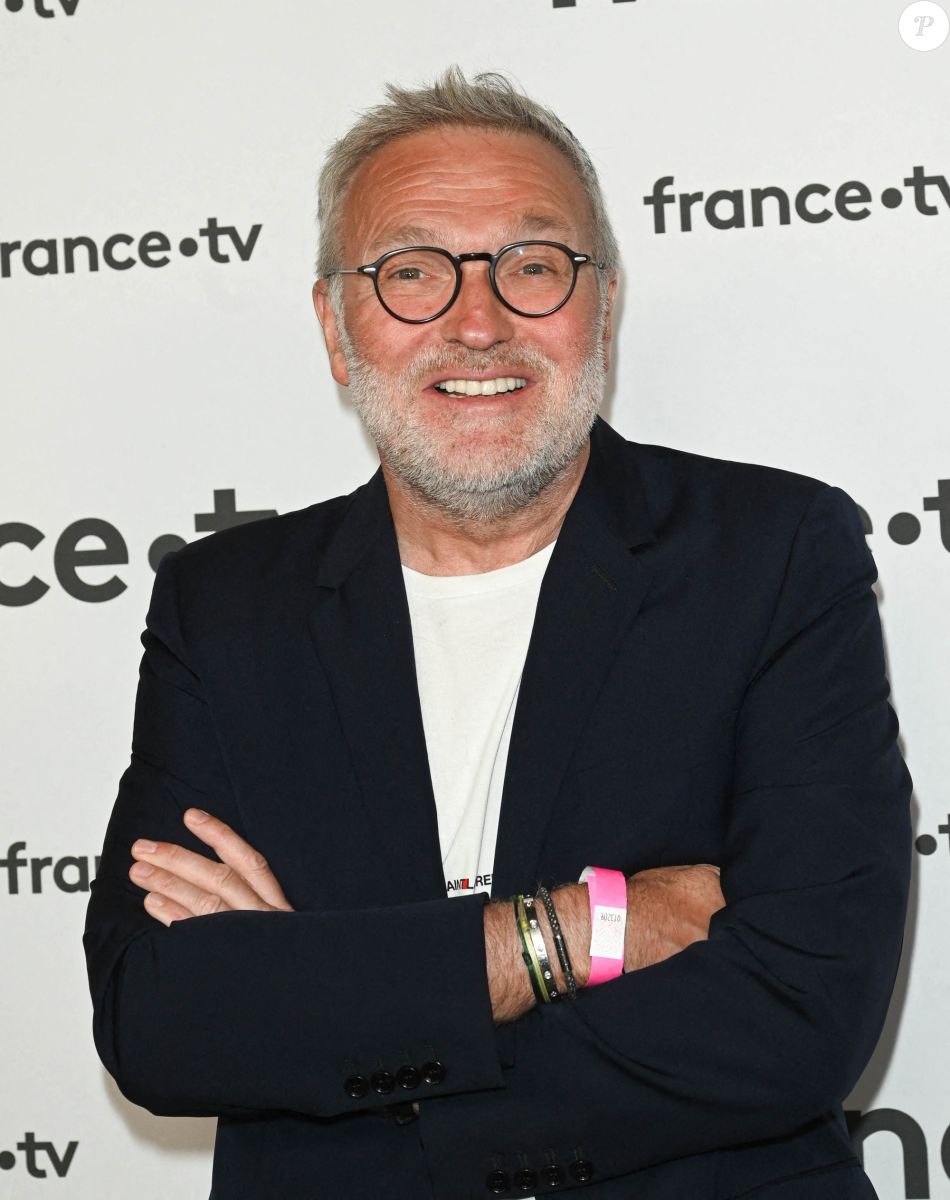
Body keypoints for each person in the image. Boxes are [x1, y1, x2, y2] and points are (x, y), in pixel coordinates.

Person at [84, 68, 912, 1200]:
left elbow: (799, 1010)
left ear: (602, 308)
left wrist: (338, 1019)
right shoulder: (227, 607)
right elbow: (161, 1018)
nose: (477, 322)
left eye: (532, 266)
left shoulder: (770, 554)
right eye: (410, 272)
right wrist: (570, 933)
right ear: (335, 327)